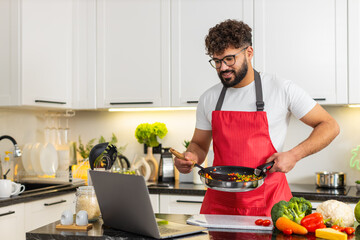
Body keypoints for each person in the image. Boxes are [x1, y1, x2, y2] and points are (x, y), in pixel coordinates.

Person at [173, 19, 340, 216]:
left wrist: (294, 155)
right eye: (217, 61)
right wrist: (189, 157)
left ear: (249, 52)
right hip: (219, 205)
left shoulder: (281, 88)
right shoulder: (209, 98)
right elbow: (199, 145)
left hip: (269, 204)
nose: (223, 68)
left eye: (229, 59)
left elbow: (329, 125)